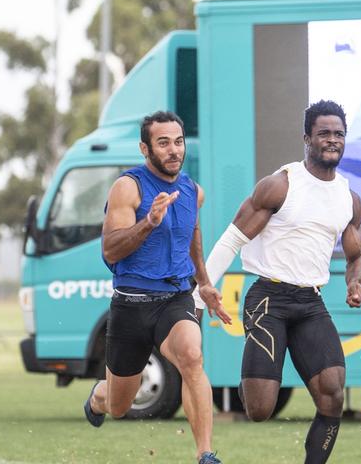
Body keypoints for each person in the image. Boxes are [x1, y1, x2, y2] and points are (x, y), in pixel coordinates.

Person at [195, 99, 361, 464]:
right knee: (260, 408)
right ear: (307, 138)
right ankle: (254, 378)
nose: (332, 140)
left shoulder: (349, 200)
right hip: (268, 299)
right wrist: (201, 293)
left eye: (339, 134)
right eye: (324, 133)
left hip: (310, 303)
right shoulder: (281, 186)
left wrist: (355, 284)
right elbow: (232, 239)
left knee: (333, 392)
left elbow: (356, 257)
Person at [82, 111, 230, 464]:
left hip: (175, 299)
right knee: (119, 406)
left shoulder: (193, 191)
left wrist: (205, 283)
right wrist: (148, 223)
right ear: (145, 148)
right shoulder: (128, 187)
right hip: (131, 305)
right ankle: (98, 397)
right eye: (163, 143)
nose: (173, 150)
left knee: (192, 357)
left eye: (178, 142)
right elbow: (111, 249)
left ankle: (205, 453)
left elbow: (191, 235)